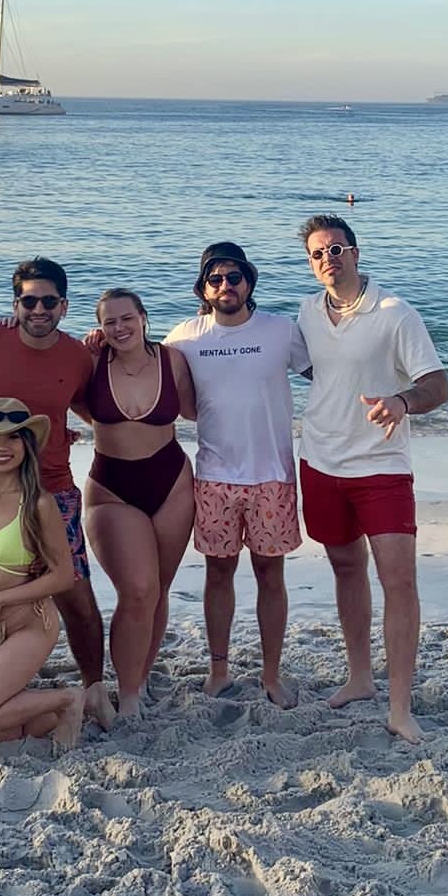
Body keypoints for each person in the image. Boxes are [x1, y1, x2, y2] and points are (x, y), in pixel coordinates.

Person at [297, 215, 448, 746]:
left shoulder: (395, 313)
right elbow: (306, 365)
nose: (328, 258)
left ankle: (399, 707)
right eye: (318, 253)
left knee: (399, 582)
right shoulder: (308, 313)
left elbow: (438, 384)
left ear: (356, 253)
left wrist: (401, 401)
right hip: (319, 461)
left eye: (336, 248)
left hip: (381, 468)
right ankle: (359, 677)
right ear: (311, 264)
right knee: (344, 567)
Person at [0, 258, 112, 726]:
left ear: (65, 306)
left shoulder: (77, 357)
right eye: (29, 301)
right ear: (16, 305)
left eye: (49, 301)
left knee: (76, 595)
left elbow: (96, 411)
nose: (39, 309)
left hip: (53, 490)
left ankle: (92, 688)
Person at [165, 242, 307, 708]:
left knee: (270, 573)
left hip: (273, 475)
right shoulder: (185, 336)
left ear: (250, 281)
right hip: (214, 474)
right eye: (215, 279)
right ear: (203, 289)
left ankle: (271, 674)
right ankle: (218, 670)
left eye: (234, 277)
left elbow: (331, 373)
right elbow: (140, 367)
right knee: (218, 572)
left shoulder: (281, 331)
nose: (226, 286)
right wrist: (97, 342)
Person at [83, 288, 196, 720]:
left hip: (171, 480)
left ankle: (141, 677)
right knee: (137, 590)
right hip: (112, 485)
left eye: (127, 318)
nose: (119, 327)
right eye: (110, 321)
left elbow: (197, 410)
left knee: (159, 590)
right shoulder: (92, 361)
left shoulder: (173, 361)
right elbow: (69, 402)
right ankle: (127, 693)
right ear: (100, 327)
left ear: (144, 318)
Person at [0, 399, 84, 749]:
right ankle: (59, 712)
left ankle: (68, 699)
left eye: (13, 438)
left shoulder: (39, 503)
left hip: (29, 624)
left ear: (27, 446)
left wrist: (1, 597)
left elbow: (63, 577)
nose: (2, 448)